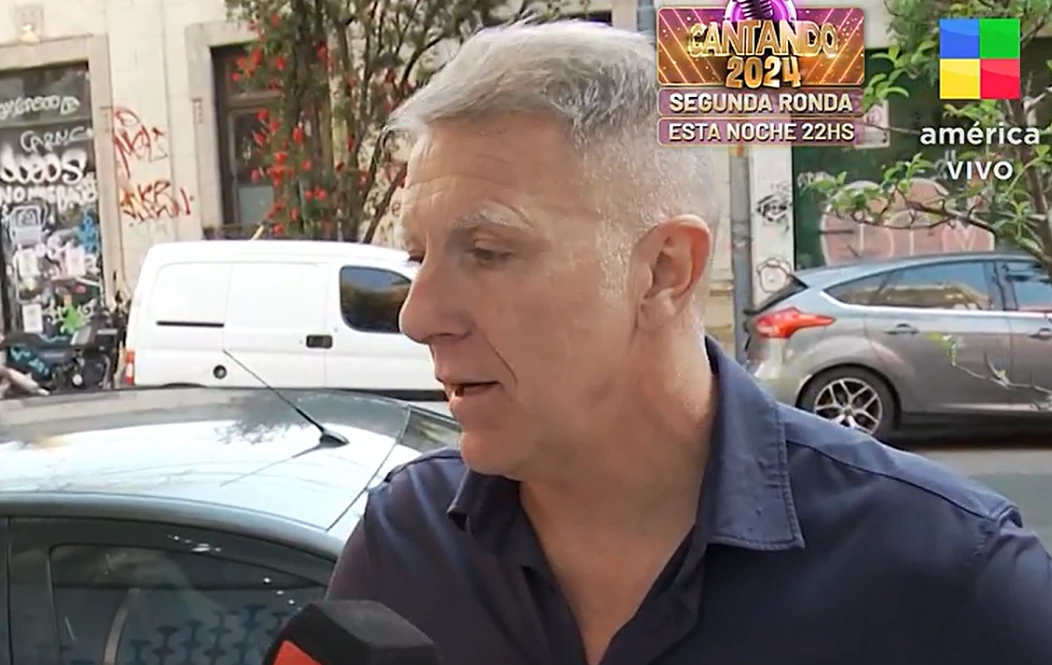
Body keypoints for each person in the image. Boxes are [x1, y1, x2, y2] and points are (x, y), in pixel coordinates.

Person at [327, 19, 1052, 665]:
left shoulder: (951, 578)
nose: (419, 316)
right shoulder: (405, 545)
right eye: (419, 256)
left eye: (487, 252)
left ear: (664, 271)